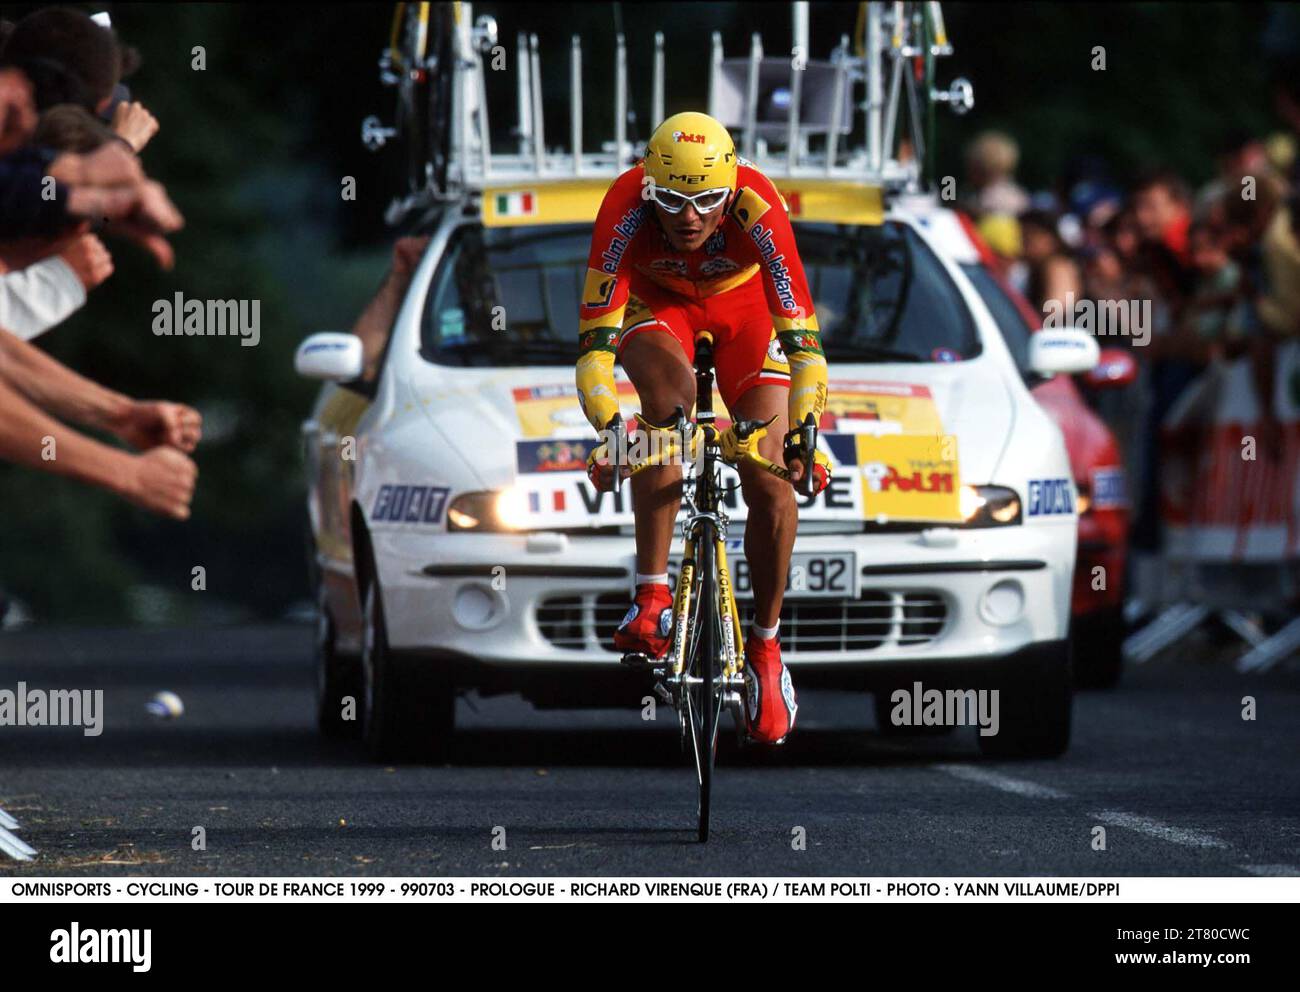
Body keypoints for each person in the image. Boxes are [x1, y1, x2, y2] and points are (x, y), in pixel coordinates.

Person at [574, 112, 831, 745]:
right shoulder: (624, 202)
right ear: (648, 187)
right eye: (672, 201)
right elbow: (594, 356)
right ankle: (653, 593)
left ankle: (766, 650)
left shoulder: (758, 201)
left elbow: (805, 348)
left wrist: (804, 432)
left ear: (730, 189)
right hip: (656, 305)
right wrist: (612, 428)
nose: (690, 218)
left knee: (770, 479)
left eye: (707, 201)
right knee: (668, 401)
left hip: (745, 313)